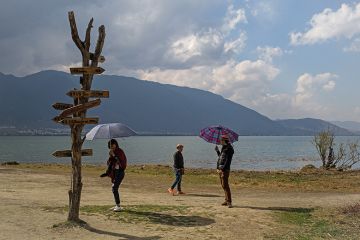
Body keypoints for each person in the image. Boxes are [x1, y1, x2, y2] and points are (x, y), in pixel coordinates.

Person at [100, 139, 127, 212]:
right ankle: (117, 205)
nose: (111, 146)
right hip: (115, 172)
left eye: (113, 144)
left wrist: (114, 155)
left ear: (116, 144)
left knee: (114, 188)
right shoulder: (112, 152)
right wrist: (111, 156)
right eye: (110, 145)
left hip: (120, 172)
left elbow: (120, 162)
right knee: (114, 188)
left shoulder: (120, 151)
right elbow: (110, 163)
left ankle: (118, 206)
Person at [215, 135, 234, 208]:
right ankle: (226, 200)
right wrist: (217, 151)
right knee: (223, 185)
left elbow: (227, 161)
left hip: (225, 170)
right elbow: (220, 158)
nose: (220, 141)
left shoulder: (229, 149)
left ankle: (229, 202)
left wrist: (221, 170)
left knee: (226, 185)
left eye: (221, 140)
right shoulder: (224, 148)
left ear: (224, 140)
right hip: (220, 169)